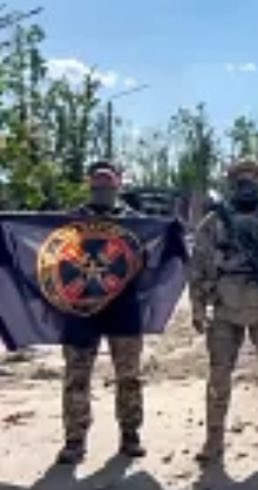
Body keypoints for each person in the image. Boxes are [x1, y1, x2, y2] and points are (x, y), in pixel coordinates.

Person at [190, 160, 258, 463]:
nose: (247, 184)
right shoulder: (213, 222)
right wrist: (198, 307)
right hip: (225, 305)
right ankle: (213, 441)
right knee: (219, 376)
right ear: (232, 184)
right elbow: (198, 266)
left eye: (253, 179)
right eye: (240, 179)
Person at [55, 161, 146, 464]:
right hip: (81, 308)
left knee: (129, 376)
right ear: (89, 184)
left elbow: (150, 259)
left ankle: (130, 435)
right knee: (76, 377)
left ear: (119, 184)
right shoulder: (70, 222)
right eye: (97, 183)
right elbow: (53, 260)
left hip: (124, 308)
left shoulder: (136, 223)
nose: (103, 188)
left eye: (108, 183)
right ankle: (74, 439)